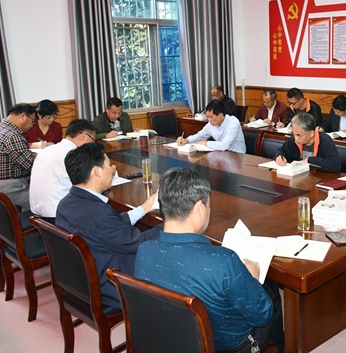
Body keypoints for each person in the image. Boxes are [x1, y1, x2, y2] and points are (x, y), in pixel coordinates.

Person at [135, 168, 284, 352]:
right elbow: (262, 315)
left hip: (171, 340)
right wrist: (253, 279)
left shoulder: (144, 251)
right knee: (270, 293)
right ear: (200, 208)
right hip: (229, 346)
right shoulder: (223, 261)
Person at [55, 142, 160, 308]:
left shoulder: (65, 203)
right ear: (96, 171)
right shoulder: (101, 215)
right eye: (109, 165)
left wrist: (144, 209)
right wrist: (171, 224)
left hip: (80, 279)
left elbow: (108, 228)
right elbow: (137, 242)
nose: (113, 169)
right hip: (110, 286)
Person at [29, 119, 97, 222]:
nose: (92, 144)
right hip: (57, 215)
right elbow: (88, 185)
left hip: (38, 214)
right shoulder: (73, 154)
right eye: (92, 139)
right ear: (84, 136)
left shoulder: (47, 150)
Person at [0, 103, 37, 210]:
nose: (32, 125)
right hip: (10, 190)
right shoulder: (13, 136)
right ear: (23, 116)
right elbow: (31, 166)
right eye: (32, 121)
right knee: (46, 200)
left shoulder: (0, 128)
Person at [274, 112, 340, 172]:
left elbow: (335, 165)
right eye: (293, 134)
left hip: (318, 178)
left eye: (299, 135)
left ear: (311, 133)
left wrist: (309, 160)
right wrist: (279, 156)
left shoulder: (325, 141)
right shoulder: (294, 139)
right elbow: (282, 151)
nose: (296, 139)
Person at [177, 99, 246, 153]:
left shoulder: (233, 122)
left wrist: (206, 143)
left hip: (238, 156)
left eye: (211, 117)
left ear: (221, 115)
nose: (209, 120)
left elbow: (224, 145)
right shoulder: (211, 124)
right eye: (207, 117)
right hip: (222, 155)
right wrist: (187, 140)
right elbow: (200, 135)